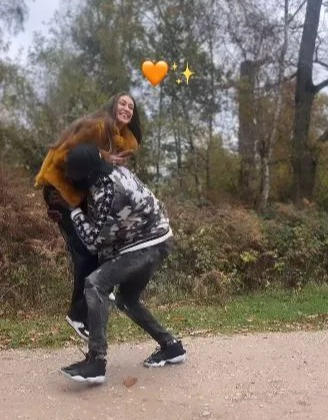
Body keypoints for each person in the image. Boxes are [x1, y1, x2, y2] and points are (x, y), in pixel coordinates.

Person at [60, 144, 186, 384]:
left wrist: (74, 210)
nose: (70, 180)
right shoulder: (112, 172)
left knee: (95, 285)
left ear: (87, 175)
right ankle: (171, 347)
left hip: (146, 244)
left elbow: (94, 242)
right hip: (154, 239)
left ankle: (96, 362)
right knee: (127, 301)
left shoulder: (109, 192)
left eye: (73, 176)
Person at [35, 92, 142, 340]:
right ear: (113, 105)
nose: (126, 108)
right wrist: (104, 158)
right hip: (60, 190)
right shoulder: (97, 127)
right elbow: (67, 155)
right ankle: (77, 313)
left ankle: (101, 287)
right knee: (85, 250)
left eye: (131, 107)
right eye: (122, 103)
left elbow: (103, 174)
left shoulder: (121, 140)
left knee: (104, 242)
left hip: (82, 196)